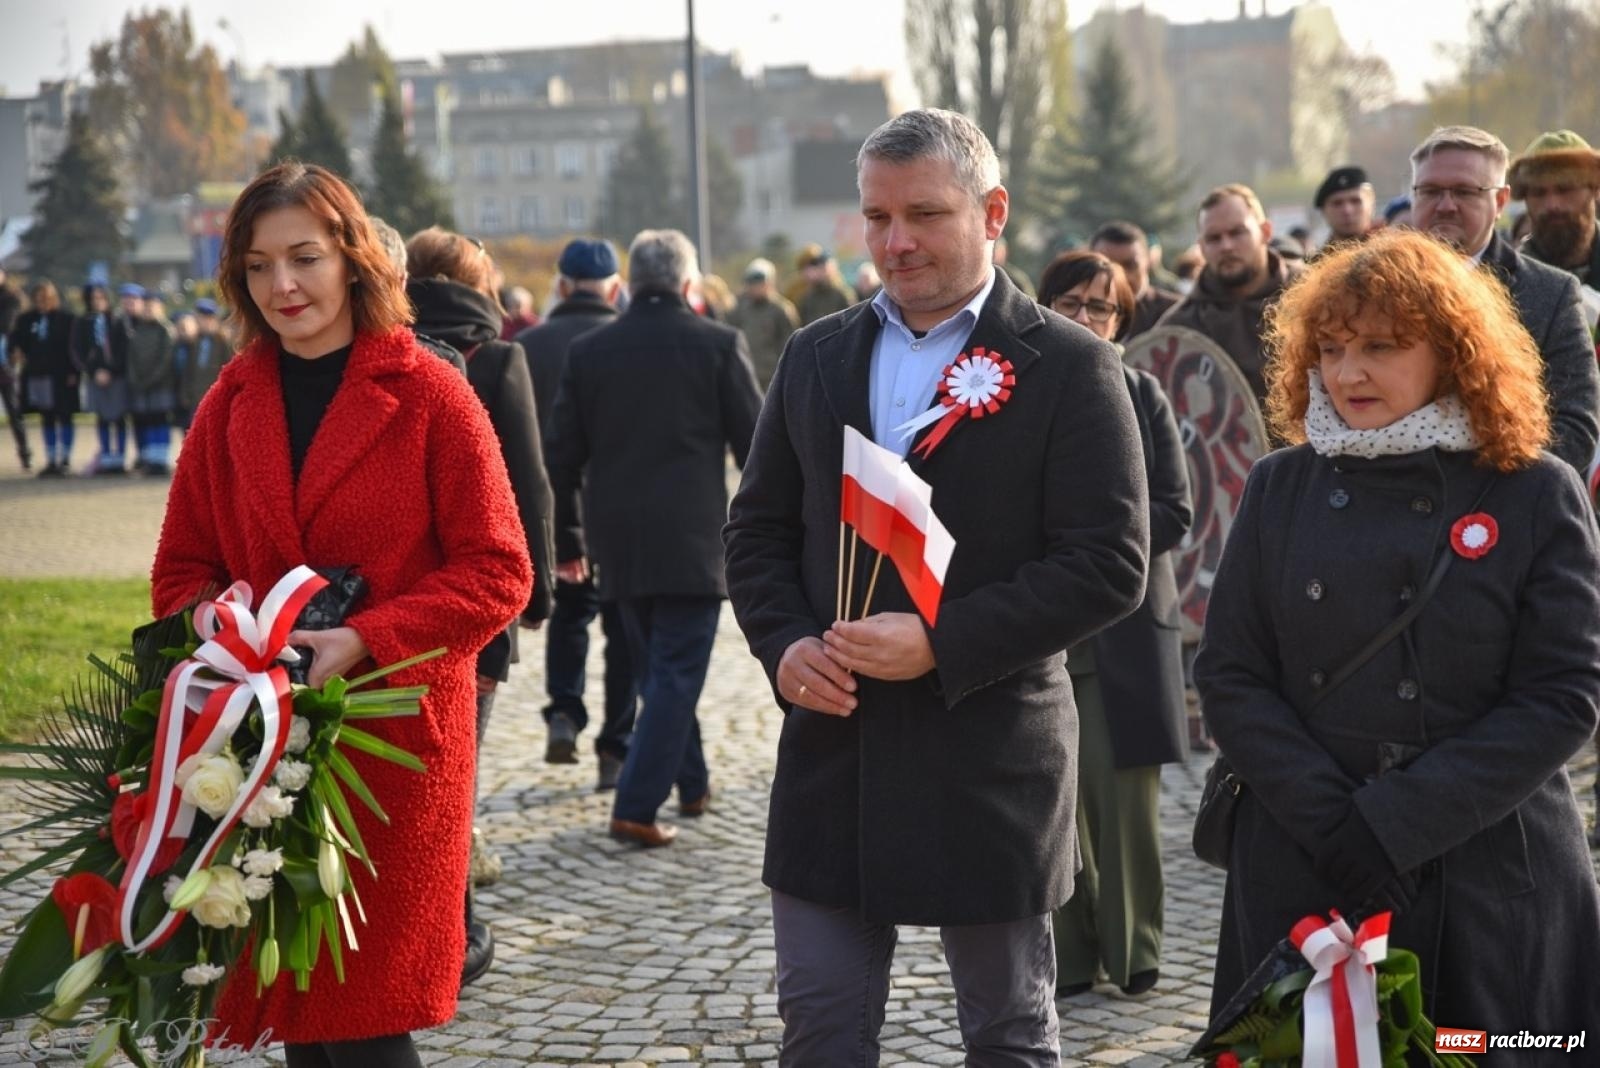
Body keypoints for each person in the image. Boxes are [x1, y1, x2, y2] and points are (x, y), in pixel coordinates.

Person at [724, 108, 1149, 1064]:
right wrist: (783, 644)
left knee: (1007, 1034)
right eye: (876, 217)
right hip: (835, 755)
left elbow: (1109, 561)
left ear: (993, 211)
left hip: (988, 754)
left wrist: (942, 641)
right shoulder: (814, 353)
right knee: (821, 1030)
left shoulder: (1073, 364)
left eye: (924, 213)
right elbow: (753, 532)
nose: (895, 241)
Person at [151, 160, 532, 1067]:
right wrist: (213, 624)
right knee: (303, 1025)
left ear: (354, 258)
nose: (282, 285)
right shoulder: (230, 403)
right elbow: (179, 572)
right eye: (256, 265)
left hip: (393, 753)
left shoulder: (432, 393)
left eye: (305, 258)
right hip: (256, 751)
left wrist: (367, 635)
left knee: (366, 1023)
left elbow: (500, 570)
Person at [1196, 229, 1600, 1054]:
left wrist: (1394, 823)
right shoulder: (1282, 484)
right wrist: (1334, 823)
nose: (1347, 374)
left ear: (1453, 354)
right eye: (1333, 348)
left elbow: (1563, 695)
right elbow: (1231, 673)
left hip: (1482, 864)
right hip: (1305, 858)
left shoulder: (1533, 491)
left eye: (1381, 347)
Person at [545, 228, 762, 848]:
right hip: (691, 538)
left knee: (660, 671)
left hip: (616, 542)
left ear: (630, 284)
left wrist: (569, 539)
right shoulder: (718, 344)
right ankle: (636, 806)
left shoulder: (591, 351)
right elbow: (757, 448)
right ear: (689, 283)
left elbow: (559, 458)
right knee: (672, 674)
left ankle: (692, 785)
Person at [1036, 251, 1192, 1000]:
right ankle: (1068, 955)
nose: (1086, 318)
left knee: (1126, 805)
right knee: (1051, 801)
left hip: (1127, 628)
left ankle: (1136, 952)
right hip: (1043, 632)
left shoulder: (1143, 393)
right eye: (1070, 302)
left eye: (1102, 307)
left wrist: (1098, 545)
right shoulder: (1015, 390)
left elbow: (1175, 508)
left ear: (1122, 318)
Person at [405, 224, 557, 980]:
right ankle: (454, 934)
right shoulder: (496, 358)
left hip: (395, 596)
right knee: (454, 770)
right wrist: (541, 593)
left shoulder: (383, 348)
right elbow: (528, 484)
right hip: (474, 601)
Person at [513, 238, 637, 789]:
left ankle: (564, 710)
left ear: (560, 286)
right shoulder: (630, 341)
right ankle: (616, 745)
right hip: (620, 510)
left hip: (554, 509)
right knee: (623, 629)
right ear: (614, 288)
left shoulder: (530, 345)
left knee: (569, 614)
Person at [1409, 125, 1600, 474]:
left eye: (1465, 191)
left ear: (1499, 201)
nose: (1446, 205)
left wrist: (1483, 490)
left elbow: (1575, 430)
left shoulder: (1551, 294)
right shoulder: (1371, 290)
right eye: (1431, 191)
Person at [1159, 183, 1302, 411]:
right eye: (1214, 238)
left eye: (1237, 233)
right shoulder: (1181, 327)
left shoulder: (1312, 293)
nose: (1226, 246)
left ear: (1265, 232)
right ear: (1202, 247)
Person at [1508, 130, 1600, 286]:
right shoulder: (1509, 281)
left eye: (1565, 189)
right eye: (1539, 192)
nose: (1552, 205)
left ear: (1595, 190)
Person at [8, 281, 79, 476]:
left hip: (63, 376)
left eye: (45, 298)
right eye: (38, 298)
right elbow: (15, 341)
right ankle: (51, 459)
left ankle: (64, 458)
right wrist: (15, 351)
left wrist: (75, 372)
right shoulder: (26, 320)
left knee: (64, 415)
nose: (42, 302)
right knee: (47, 417)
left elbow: (74, 349)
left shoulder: (67, 319)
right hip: (38, 376)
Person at [73, 284, 130, 475]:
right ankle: (105, 458)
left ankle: (120, 459)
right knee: (103, 418)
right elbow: (77, 350)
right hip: (95, 377)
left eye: (101, 298)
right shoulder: (82, 322)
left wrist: (111, 371)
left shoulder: (118, 321)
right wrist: (94, 371)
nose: (98, 302)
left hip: (116, 377)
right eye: (94, 298)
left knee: (119, 417)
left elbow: (124, 350)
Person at [1091, 220, 1181, 339]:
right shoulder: (1075, 312)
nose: (1119, 275)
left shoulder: (1176, 313)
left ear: (1148, 262)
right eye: (1107, 265)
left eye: (1129, 265)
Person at [124, 286, 177, 476]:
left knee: (160, 420)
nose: (148, 310)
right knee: (145, 420)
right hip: (141, 386)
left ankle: (161, 461)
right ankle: (149, 460)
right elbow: (130, 358)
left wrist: (150, 380)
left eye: (152, 306)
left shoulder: (165, 330)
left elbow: (166, 359)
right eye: (146, 306)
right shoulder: (137, 329)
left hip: (160, 385)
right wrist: (136, 379)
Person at [725, 257, 799, 388]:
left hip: (773, 378)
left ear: (770, 282)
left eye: (760, 282)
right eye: (751, 283)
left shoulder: (782, 310)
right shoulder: (740, 308)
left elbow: (791, 345)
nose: (755, 287)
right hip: (747, 375)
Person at [173, 298, 228, 431]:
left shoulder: (223, 343)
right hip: (195, 398)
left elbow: (227, 371)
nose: (204, 323)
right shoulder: (193, 342)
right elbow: (188, 371)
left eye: (208, 319)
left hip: (215, 398)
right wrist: (185, 394)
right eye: (200, 319)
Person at [0, 266, 29, 470]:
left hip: (4, 364)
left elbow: (6, 326)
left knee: (13, 409)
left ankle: (25, 452)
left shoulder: (11, 298)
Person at [1313, 165, 1377, 253]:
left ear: (1372, 204)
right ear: (1324, 211)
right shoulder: (1316, 264)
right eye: (1337, 203)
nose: (1347, 211)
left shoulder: (1393, 254)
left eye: (1355, 201)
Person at [793, 245, 856, 325]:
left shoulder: (842, 293)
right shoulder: (807, 296)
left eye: (823, 268)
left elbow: (852, 320)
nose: (818, 272)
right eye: (817, 268)